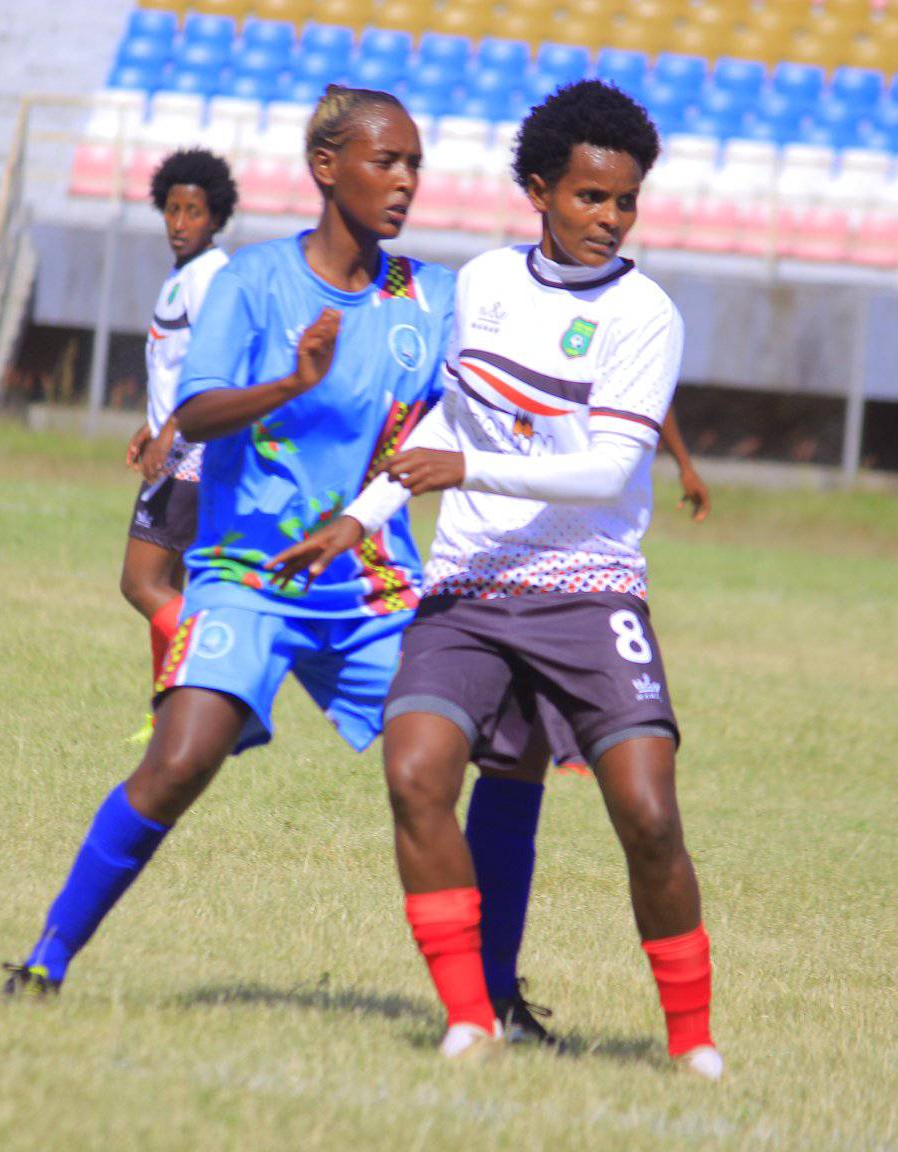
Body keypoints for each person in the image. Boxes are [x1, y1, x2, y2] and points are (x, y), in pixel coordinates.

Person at [271, 81, 722, 1073]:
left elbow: (608, 469)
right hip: (470, 587)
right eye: (590, 197)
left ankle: (692, 1047)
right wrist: (362, 515)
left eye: (626, 201)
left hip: (590, 586)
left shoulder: (647, 314)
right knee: (415, 772)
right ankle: (471, 1016)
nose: (609, 218)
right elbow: (453, 421)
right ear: (538, 190)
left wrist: (464, 469)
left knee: (648, 812)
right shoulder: (479, 286)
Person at [3, 85, 484, 1003]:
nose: (405, 182)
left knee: (470, 761)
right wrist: (291, 383)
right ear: (326, 168)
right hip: (244, 576)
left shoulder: (436, 298)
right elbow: (196, 412)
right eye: (387, 161)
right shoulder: (254, 282)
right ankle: (46, 960)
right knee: (180, 759)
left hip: (373, 586)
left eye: (415, 164)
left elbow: (505, 379)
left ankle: (484, 1004)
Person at [121, 148, 238, 744]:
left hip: (190, 457)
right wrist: (151, 422)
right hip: (180, 448)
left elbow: (215, 369)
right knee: (169, 581)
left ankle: (211, 655)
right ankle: (165, 714)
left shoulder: (211, 277)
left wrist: (169, 432)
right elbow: (174, 367)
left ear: (216, 217)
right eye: (172, 209)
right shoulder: (182, 277)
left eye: (194, 211)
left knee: (140, 583)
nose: (180, 221)